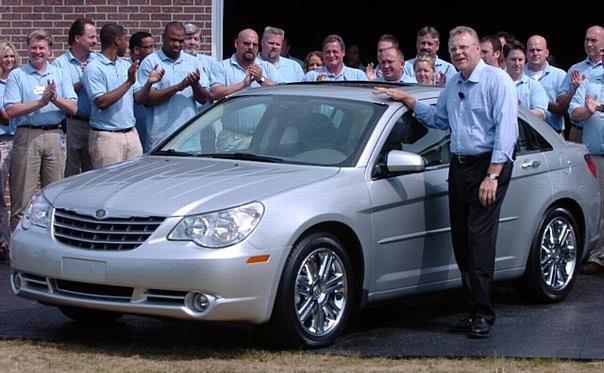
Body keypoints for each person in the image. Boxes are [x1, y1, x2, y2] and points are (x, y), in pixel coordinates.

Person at [373, 25, 517, 339]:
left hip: (488, 167)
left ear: (479, 49)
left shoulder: (498, 82)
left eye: (464, 47)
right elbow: (440, 120)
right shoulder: (453, 84)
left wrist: (492, 175)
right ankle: (472, 310)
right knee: (462, 243)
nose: (459, 53)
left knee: (479, 241)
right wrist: (408, 100)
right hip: (460, 166)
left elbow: (506, 134)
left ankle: (482, 314)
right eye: (454, 50)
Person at [4, 30, 78, 229]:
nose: (37, 52)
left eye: (42, 48)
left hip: (55, 136)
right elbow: (10, 110)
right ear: (28, 49)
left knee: (54, 197)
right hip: (28, 135)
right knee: (22, 199)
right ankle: (17, 252)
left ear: (50, 51)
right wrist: (40, 102)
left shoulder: (60, 74)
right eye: (33, 48)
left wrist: (54, 99)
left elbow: (72, 107)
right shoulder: (17, 75)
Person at [82, 23, 162, 169]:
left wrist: (149, 83)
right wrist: (128, 82)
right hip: (107, 137)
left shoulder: (125, 65)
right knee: (108, 185)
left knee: (133, 183)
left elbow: (138, 98)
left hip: (131, 134)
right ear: (117, 41)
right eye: (124, 40)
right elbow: (101, 102)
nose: (126, 44)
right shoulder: (94, 68)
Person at [137, 22, 211, 152]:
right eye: (173, 40)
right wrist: (178, 87)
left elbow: (204, 99)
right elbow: (147, 100)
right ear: (163, 37)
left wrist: (195, 85)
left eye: (181, 41)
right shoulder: (150, 62)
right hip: (160, 141)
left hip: (189, 140)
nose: (177, 44)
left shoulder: (193, 62)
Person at [569, 46, 604, 274]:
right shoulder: (588, 80)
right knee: (599, 208)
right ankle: (597, 256)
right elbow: (573, 113)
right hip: (598, 153)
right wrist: (589, 111)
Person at [52, 17, 97, 177]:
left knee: (92, 175)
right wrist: (84, 79)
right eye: (91, 37)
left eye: (95, 37)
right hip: (71, 124)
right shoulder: (59, 64)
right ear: (77, 38)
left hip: (94, 124)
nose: (95, 41)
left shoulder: (97, 61)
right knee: (68, 173)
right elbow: (59, 98)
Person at [557, 25, 603, 143]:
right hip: (579, 131)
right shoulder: (575, 69)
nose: (589, 44)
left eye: (594, 40)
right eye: (586, 40)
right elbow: (560, 106)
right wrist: (573, 90)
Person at [210, 28, 281, 101]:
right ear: (236, 43)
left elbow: (282, 92)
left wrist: (261, 79)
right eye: (246, 43)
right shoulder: (222, 67)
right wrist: (243, 85)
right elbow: (214, 94)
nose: (251, 47)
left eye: (254, 44)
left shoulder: (267, 67)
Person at [524, 35, 567, 133]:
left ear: (546, 53)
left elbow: (564, 109)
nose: (535, 53)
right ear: (526, 53)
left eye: (539, 50)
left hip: (554, 134)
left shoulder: (559, 75)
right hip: (526, 135)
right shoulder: (517, 74)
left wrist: (539, 101)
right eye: (531, 50)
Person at [0, 40, 19, 259]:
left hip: (20, 139)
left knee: (20, 193)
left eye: (12, 56)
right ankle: (3, 240)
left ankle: (15, 241)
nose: (9, 60)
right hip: (2, 141)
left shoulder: (19, 79)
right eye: (5, 56)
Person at [503, 41, 548, 120]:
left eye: (520, 60)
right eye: (513, 59)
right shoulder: (496, 83)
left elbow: (540, 112)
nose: (517, 63)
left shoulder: (534, 85)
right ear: (505, 59)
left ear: (525, 60)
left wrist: (516, 111)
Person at [128, 31, 155, 149]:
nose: (152, 50)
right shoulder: (125, 68)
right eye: (148, 47)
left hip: (149, 123)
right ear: (137, 50)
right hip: (132, 124)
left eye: (153, 46)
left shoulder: (154, 67)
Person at [302, 34, 367, 82]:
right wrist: (315, 87)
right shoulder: (311, 77)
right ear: (323, 54)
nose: (331, 55)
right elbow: (303, 99)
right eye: (328, 52)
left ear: (343, 52)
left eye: (335, 51)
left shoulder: (358, 76)